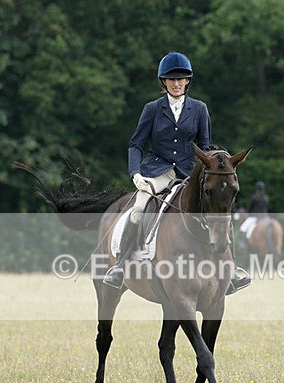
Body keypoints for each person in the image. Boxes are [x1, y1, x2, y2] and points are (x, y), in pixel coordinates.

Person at [104, 51, 250, 294]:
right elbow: (136, 144)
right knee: (139, 207)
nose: (176, 83)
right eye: (171, 79)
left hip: (189, 173)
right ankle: (121, 265)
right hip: (158, 171)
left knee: (219, 209)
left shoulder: (200, 109)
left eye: (181, 79)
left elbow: (204, 146)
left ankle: (230, 270)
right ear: (164, 82)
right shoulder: (152, 109)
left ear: (187, 81)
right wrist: (136, 173)